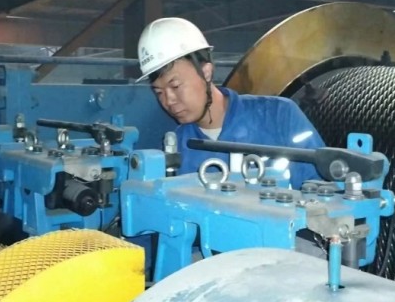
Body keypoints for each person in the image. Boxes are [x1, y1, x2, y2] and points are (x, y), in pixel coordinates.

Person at [136, 17, 325, 189]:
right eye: (159, 92)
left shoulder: (279, 116)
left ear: (206, 72)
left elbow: (322, 188)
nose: (168, 100)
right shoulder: (177, 148)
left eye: (175, 86)